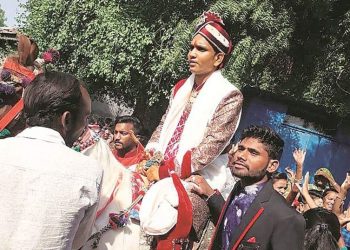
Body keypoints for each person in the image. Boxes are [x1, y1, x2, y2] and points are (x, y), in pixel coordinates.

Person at [142, 11, 243, 245]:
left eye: (201, 49)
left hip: (199, 177)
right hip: (159, 166)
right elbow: (164, 124)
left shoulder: (230, 95)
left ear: (218, 59)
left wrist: (166, 172)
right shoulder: (180, 88)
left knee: (175, 221)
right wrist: (151, 155)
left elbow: (209, 148)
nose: (191, 54)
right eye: (191, 48)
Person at [0, 71, 103, 249]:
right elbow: (78, 240)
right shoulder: (89, 171)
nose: (85, 127)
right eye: (85, 118)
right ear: (67, 119)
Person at [188, 125, 305, 249]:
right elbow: (233, 227)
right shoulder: (238, 190)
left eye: (253, 153)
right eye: (241, 148)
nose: (241, 156)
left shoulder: (287, 217)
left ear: (272, 166)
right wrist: (210, 194)